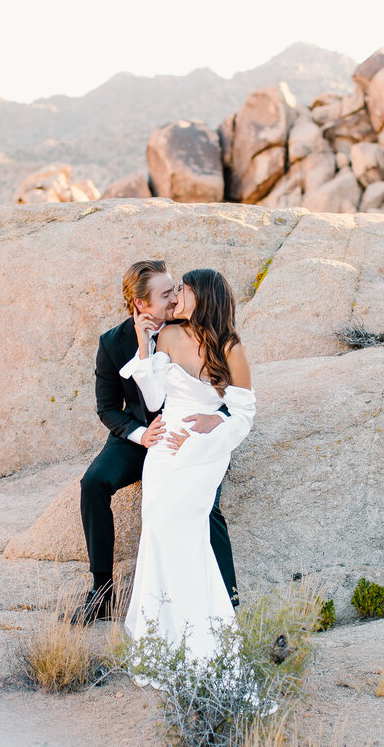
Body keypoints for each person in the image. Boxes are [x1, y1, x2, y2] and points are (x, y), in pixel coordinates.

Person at [73, 260, 238, 625]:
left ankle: (228, 600)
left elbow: (226, 393)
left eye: (175, 291)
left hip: (189, 433)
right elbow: (106, 408)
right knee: (93, 483)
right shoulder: (113, 343)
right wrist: (140, 434)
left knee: (205, 506)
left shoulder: (193, 327)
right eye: (165, 295)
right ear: (139, 304)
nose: (174, 299)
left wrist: (219, 424)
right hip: (138, 435)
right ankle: (101, 592)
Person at [120, 268, 256, 669]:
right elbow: (154, 398)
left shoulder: (230, 347)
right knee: (159, 530)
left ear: (204, 297)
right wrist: (144, 345)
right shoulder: (168, 335)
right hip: (164, 447)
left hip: (204, 448)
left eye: (183, 289)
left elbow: (245, 412)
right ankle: (159, 638)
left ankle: (205, 637)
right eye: (175, 288)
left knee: (189, 532)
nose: (176, 295)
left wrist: (215, 425)